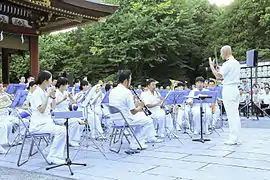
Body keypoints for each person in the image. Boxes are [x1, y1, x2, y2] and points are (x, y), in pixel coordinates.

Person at [109, 70, 161, 150]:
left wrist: (133, 101)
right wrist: (140, 106)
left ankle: (140, 139)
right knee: (148, 120)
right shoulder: (126, 92)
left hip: (115, 119)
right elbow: (133, 111)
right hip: (125, 120)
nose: (130, 81)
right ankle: (136, 142)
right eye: (130, 79)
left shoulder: (113, 91)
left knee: (142, 116)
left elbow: (123, 106)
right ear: (126, 80)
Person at [29, 70, 66, 164]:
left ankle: (50, 151)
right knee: (62, 131)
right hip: (38, 125)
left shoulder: (44, 91)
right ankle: (53, 156)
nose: (52, 81)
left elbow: (53, 107)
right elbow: (41, 110)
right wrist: (48, 95)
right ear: (45, 80)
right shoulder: (37, 92)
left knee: (63, 129)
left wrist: (53, 96)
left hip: (46, 122)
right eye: (51, 79)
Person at [209, 45, 241, 145]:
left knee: (231, 115)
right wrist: (220, 68)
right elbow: (226, 73)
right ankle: (237, 137)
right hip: (235, 89)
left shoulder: (228, 64)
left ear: (225, 53)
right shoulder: (236, 62)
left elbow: (218, 76)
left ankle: (233, 138)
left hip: (229, 89)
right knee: (235, 114)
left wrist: (211, 67)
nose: (221, 55)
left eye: (221, 53)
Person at [54, 77, 81, 147]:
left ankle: (72, 139)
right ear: (62, 85)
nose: (67, 86)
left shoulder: (66, 92)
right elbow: (53, 105)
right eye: (66, 85)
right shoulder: (56, 93)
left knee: (79, 119)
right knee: (75, 121)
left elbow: (74, 102)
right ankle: (71, 141)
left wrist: (71, 97)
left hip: (66, 113)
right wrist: (63, 99)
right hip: (59, 114)